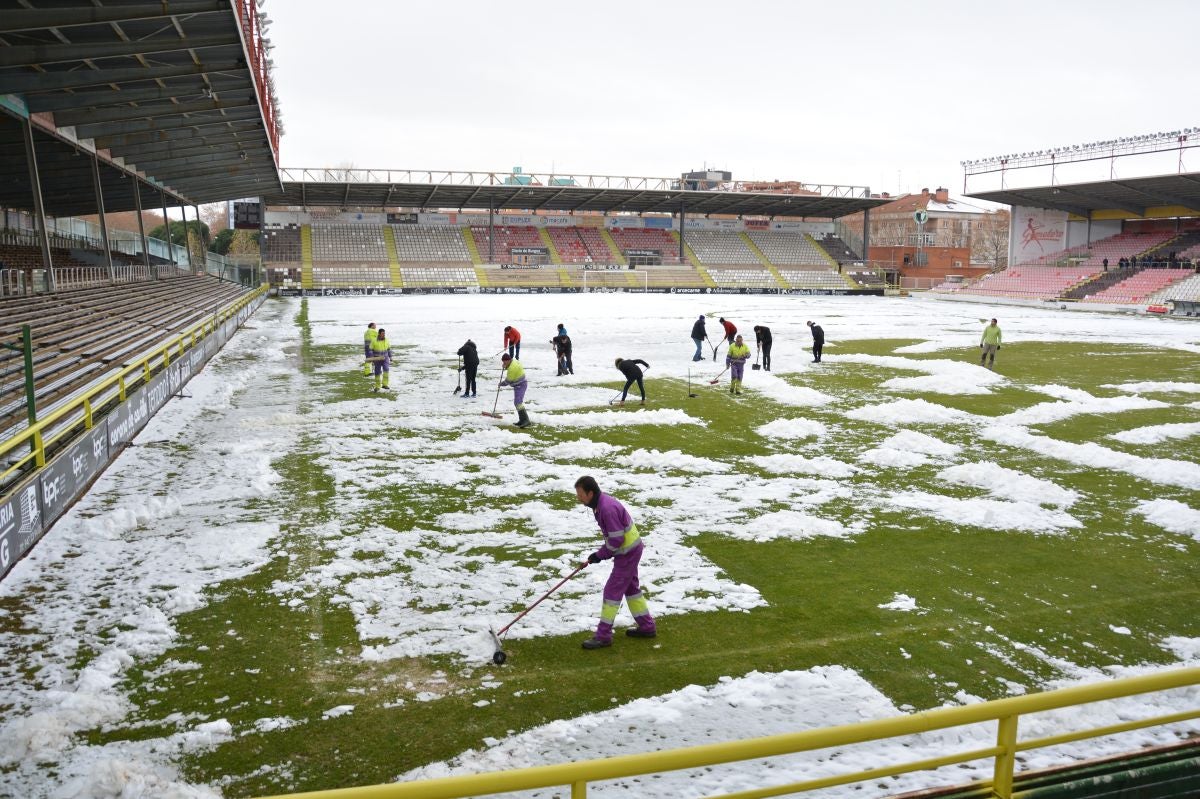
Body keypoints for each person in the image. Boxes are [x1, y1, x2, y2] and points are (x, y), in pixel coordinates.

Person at [576, 475, 656, 650]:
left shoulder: (607, 508)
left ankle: (603, 636)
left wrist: (600, 555)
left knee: (612, 591)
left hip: (627, 553)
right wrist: (599, 554)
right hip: (628, 550)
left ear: (590, 493)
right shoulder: (600, 505)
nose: (578, 498)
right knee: (631, 589)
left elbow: (616, 540)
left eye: (580, 494)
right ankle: (647, 626)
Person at [499, 353, 530, 428]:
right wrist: (505, 366)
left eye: (504, 362)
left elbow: (508, 381)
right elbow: (510, 369)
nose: (504, 363)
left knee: (518, 402)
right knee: (517, 402)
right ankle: (522, 420)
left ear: (508, 360)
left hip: (521, 385)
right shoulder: (513, 361)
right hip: (519, 385)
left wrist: (501, 384)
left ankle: (526, 421)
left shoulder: (512, 368)